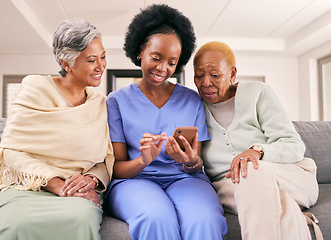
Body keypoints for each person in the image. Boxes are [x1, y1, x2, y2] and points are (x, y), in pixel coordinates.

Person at [0, 18, 114, 240]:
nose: (101, 66)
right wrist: (56, 185)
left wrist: (89, 180)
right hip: (25, 188)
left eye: (103, 57)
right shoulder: (35, 87)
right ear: (67, 63)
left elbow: (105, 159)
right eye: (92, 60)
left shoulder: (99, 103)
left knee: (80, 219)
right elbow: (11, 151)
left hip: (75, 193)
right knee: (18, 226)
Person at [106, 4, 227, 240]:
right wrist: (143, 160)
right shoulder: (116, 101)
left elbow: (195, 163)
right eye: (156, 57)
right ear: (140, 51)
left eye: (172, 62)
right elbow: (116, 168)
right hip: (134, 181)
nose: (163, 68)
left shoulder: (192, 99)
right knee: (155, 217)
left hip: (185, 179)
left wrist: (191, 161)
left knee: (205, 219)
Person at [193, 41, 322, 240]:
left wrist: (257, 151)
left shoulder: (258, 93)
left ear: (233, 74)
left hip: (290, 177)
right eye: (199, 75)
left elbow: (293, 145)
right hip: (231, 186)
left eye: (215, 75)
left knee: (251, 170)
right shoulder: (192, 107)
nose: (205, 82)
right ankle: (293, 217)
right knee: (259, 193)